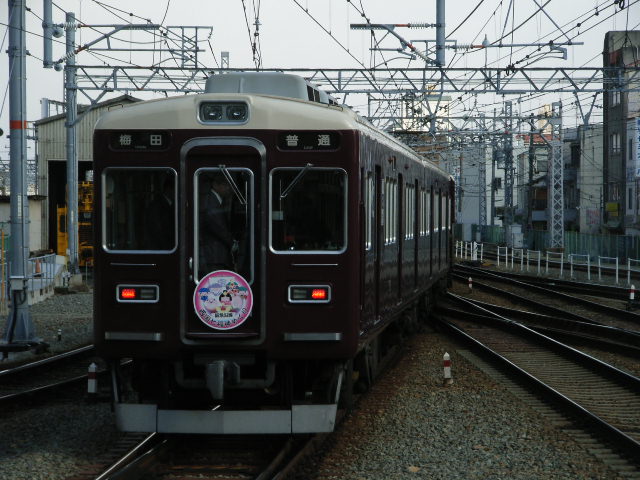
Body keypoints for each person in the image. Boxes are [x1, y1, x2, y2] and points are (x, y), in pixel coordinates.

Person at [199, 174, 236, 276]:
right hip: (214, 255)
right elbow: (218, 227)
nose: (228, 189)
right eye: (225, 185)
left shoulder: (215, 200)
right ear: (215, 185)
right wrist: (233, 244)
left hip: (216, 255)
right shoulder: (211, 202)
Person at [145, 176, 175, 250]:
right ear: (168, 189)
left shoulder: (169, 205)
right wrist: (167, 248)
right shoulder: (157, 206)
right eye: (175, 190)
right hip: (161, 249)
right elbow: (157, 230)